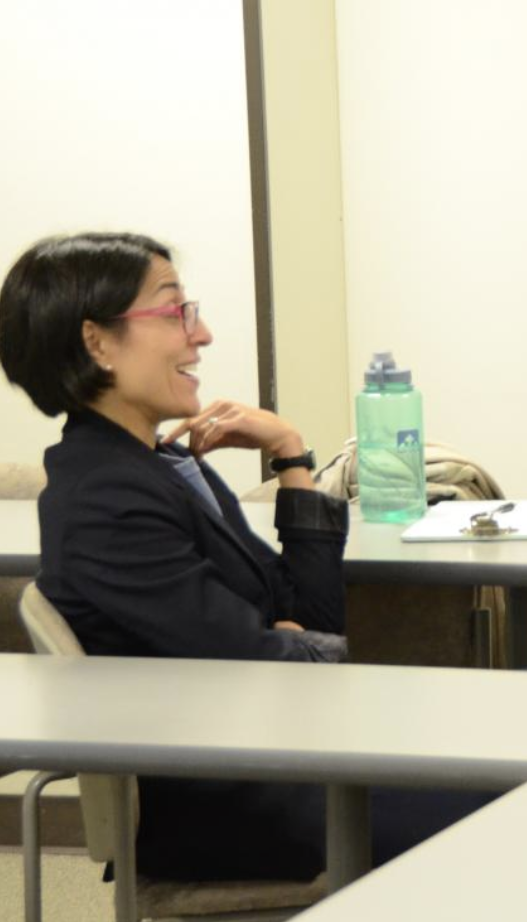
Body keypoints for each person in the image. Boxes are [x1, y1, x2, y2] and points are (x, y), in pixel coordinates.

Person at [0, 232, 492, 882]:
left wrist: (290, 455)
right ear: (98, 343)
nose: (200, 334)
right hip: (255, 804)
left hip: (294, 759)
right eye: (175, 312)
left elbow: (307, 618)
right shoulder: (106, 500)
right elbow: (264, 661)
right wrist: (295, 645)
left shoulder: (161, 465)